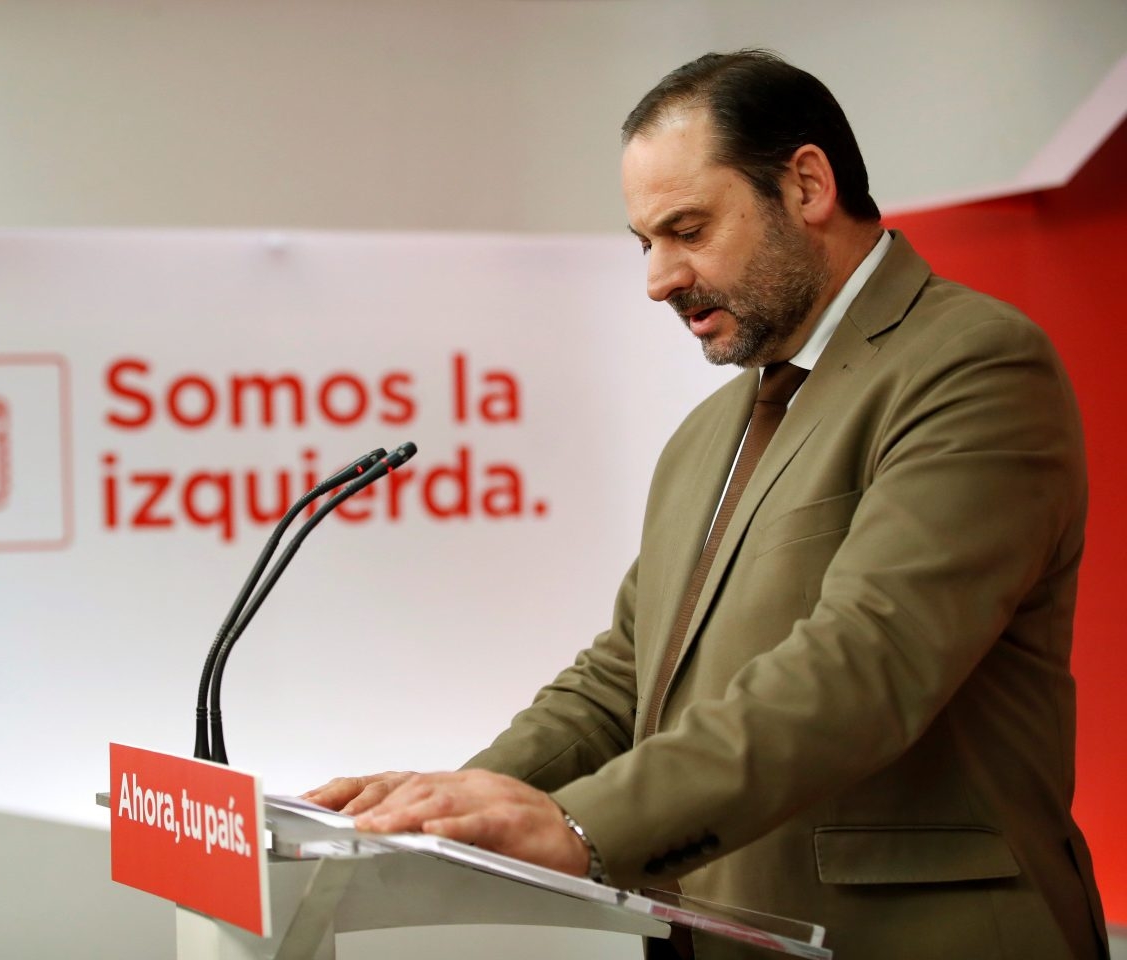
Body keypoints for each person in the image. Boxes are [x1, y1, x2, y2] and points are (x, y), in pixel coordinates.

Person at [304, 50, 1109, 959]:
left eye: (687, 229)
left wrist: (583, 827)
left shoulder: (974, 365)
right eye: (645, 242)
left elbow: (866, 663)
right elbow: (625, 677)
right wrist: (439, 810)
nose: (658, 278)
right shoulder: (706, 433)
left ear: (806, 184)